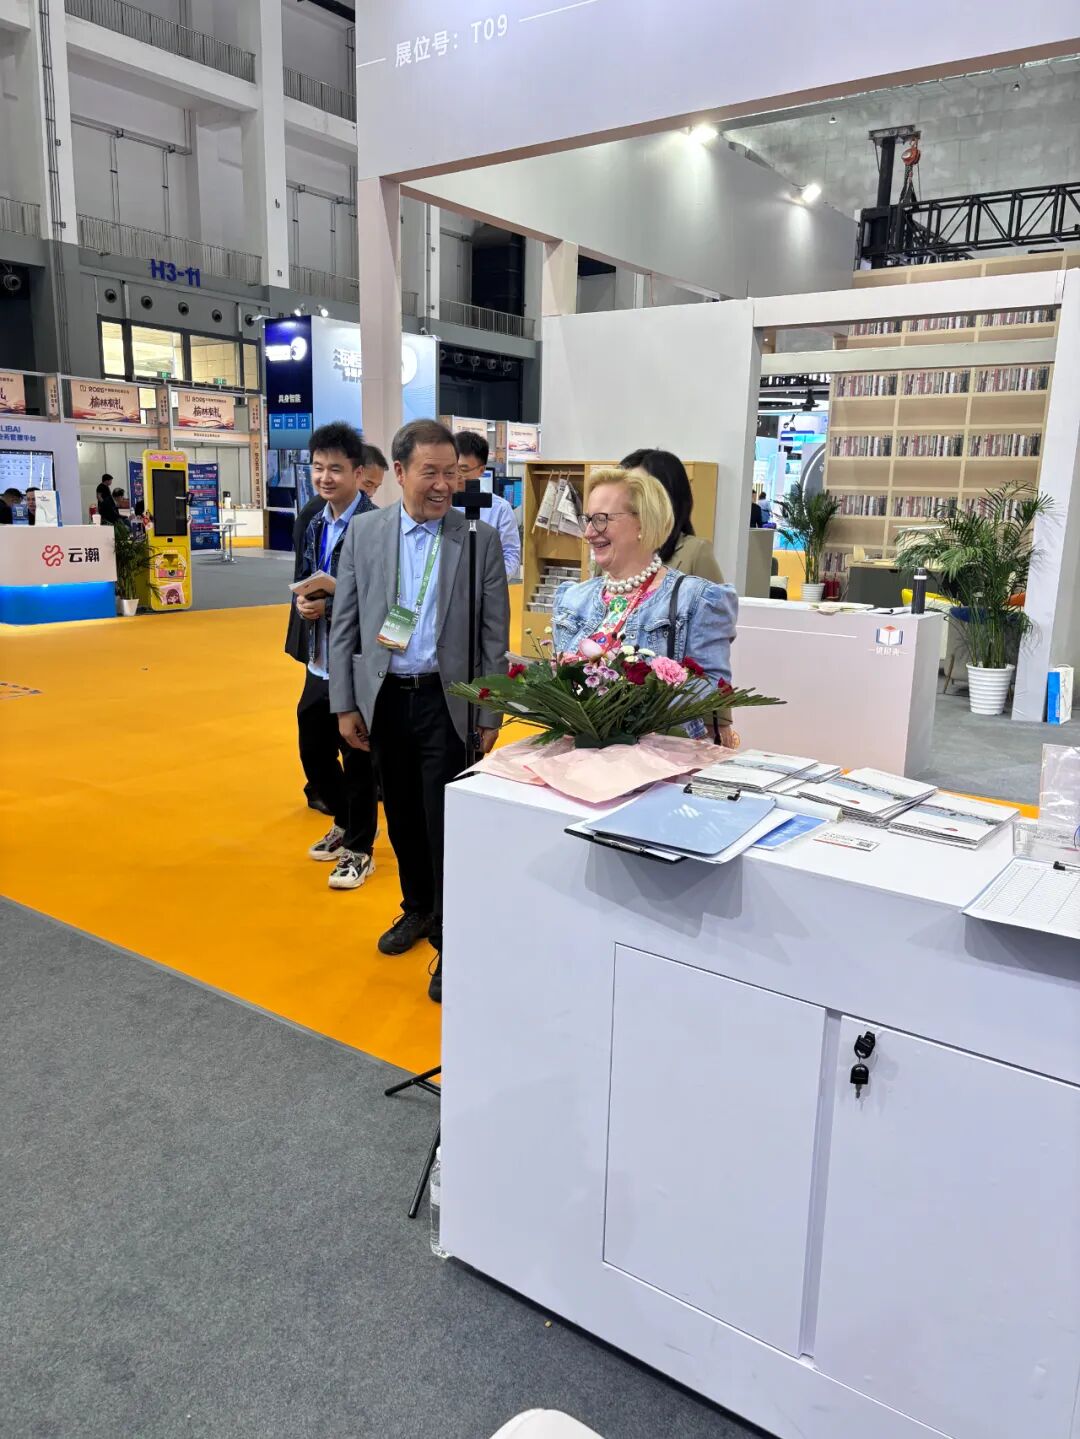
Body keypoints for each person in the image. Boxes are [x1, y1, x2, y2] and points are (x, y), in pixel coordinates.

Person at [329, 418, 510, 1003]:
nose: (443, 485)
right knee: (403, 815)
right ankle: (418, 909)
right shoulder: (365, 533)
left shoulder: (477, 540)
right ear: (399, 472)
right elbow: (345, 623)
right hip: (385, 699)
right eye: (430, 472)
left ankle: (454, 937)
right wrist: (345, 704)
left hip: (447, 702)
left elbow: (493, 637)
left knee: (444, 823)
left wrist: (489, 713)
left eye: (451, 473)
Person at [552, 466, 737, 734]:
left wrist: (623, 706)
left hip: (657, 757)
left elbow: (712, 696)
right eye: (587, 519)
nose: (589, 532)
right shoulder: (572, 598)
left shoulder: (695, 599)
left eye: (601, 519)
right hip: (574, 755)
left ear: (643, 522)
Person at [286, 421, 379, 891]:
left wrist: (335, 601)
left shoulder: (377, 526)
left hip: (358, 661)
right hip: (318, 657)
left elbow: (386, 599)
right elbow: (306, 574)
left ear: (358, 473)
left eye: (335, 469)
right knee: (313, 748)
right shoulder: (313, 520)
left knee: (358, 755)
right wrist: (305, 604)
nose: (325, 477)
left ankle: (360, 849)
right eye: (318, 467)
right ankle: (345, 819)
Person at [620, 447, 724, 582]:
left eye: (639, 490)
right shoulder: (612, 549)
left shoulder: (695, 553)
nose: (628, 499)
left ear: (667, 496)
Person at [454, 430, 521, 579]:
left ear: (481, 470)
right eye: (452, 468)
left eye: (463, 469)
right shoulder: (439, 505)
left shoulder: (499, 509)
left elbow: (511, 556)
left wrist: (489, 583)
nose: (456, 475)